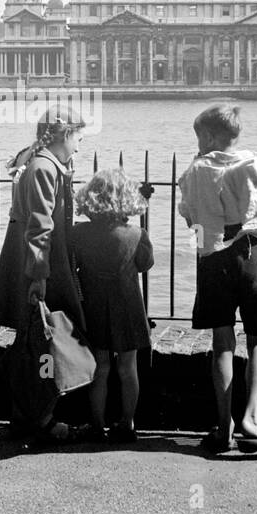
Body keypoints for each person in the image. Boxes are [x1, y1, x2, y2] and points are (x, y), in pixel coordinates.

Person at [177, 104, 257, 457]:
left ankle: (224, 426)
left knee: (222, 341)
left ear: (210, 136)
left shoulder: (193, 171)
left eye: (199, 137)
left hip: (213, 259)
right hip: (253, 253)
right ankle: (252, 421)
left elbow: (188, 218)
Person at [0, 104, 87, 443]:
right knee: (41, 346)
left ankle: (27, 414)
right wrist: (39, 276)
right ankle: (38, 420)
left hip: (32, 260)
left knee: (33, 343)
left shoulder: (41, 162)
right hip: (39, 265)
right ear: (65, 134)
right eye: (78, 138)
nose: (80, 145)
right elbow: (39, 227)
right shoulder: (45, 168)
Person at [70, 168, 154, 444]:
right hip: (128, 307)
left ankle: (96, 425)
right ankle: (127, 423)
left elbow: (73, 265)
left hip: (93, 306)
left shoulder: (79, 233)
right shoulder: (136, 234)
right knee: (129, 367)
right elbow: (145, 264)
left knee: (100, 367)